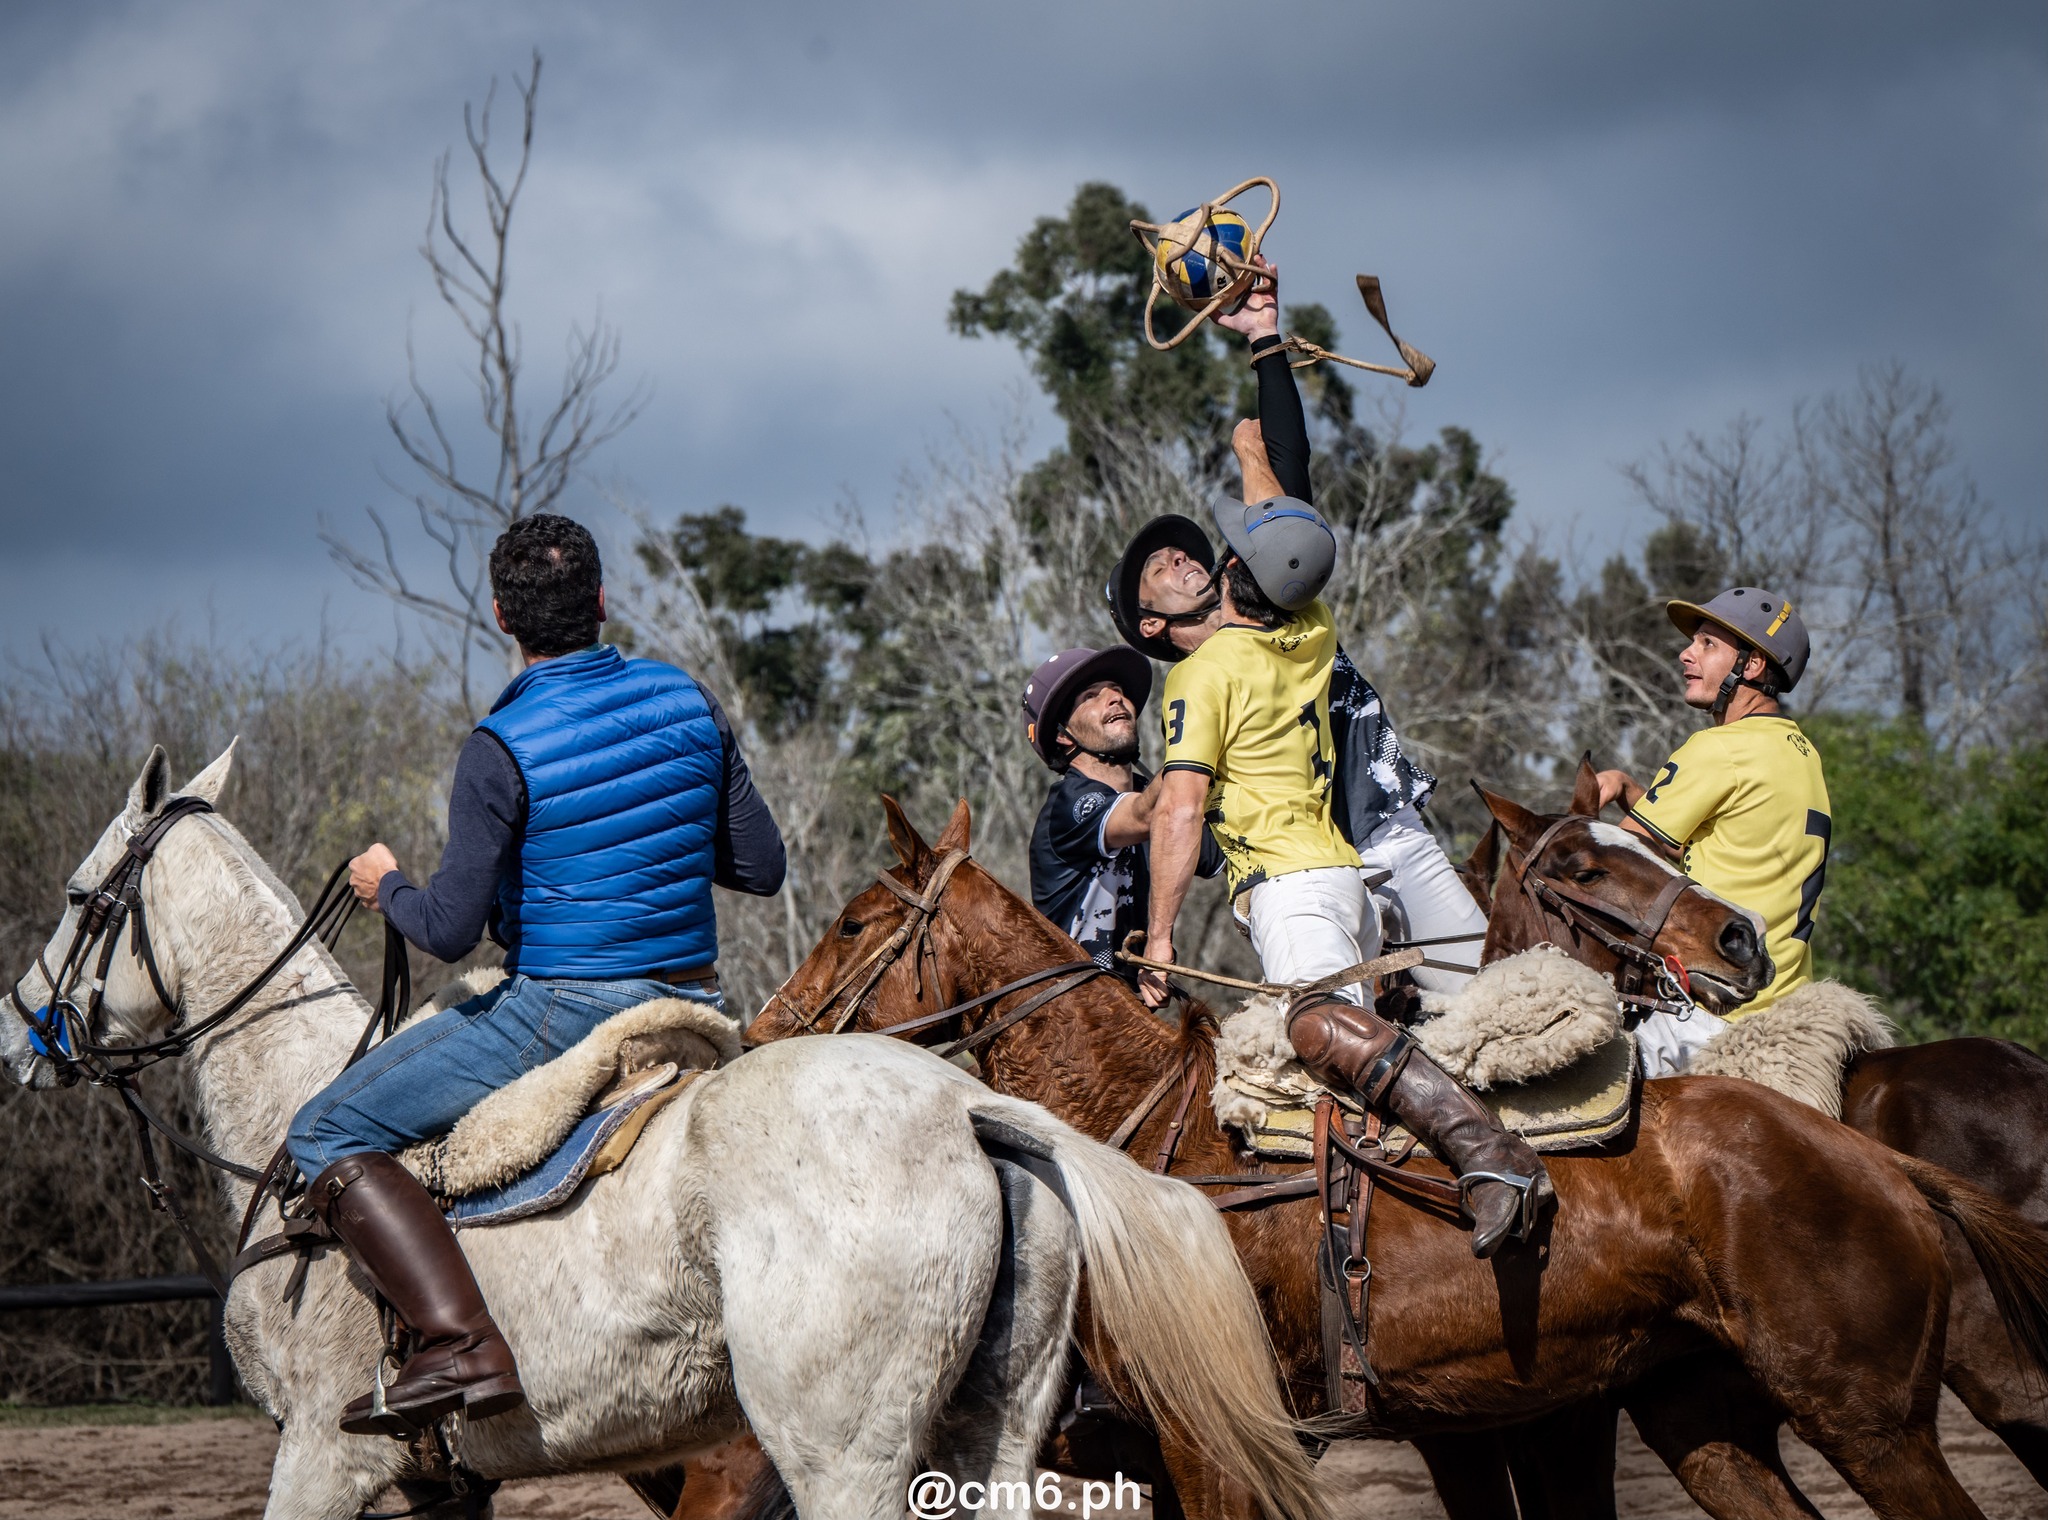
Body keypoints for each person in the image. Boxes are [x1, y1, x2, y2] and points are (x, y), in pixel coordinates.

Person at [284, 514, 785, 1436]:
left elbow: (448, 930)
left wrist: (384, 884)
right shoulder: (690, 700)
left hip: (565, 1010)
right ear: (600, 601)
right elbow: (760, 869)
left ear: (501, 617)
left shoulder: (500, 744)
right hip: (696, 999)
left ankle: (458, 1342)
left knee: (324, 1126)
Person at [1102, 256, 1549, 1258]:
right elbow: (1173, 808)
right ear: (1147, 620)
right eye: (1156, 566)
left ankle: (1515, 1178)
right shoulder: (1212, 666)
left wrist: (1267, 339)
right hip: (1318, 860)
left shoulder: (1283, 610)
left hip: (1373, 838)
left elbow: (1289, 496)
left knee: (1493, 1018)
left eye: (1189, 549)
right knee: (1359, 1055)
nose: (1180, 553)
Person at [1594, 587, 1827, 1075]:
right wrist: (1631, 788)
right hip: (1783, 1011)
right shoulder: (1800, 752)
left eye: (1707, 644)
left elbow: (1618, 866)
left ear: (1754, 664)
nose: (1686, 653)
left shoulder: (1719, 749)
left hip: (1710, 1017)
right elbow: (1714, 843)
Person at [1022, 646, 1221, 984]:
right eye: (1090, 696)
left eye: (1118, 690)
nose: (1114, 698)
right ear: (1061, 734)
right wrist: (1196, 747)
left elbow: (1216, 856)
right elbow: (1143, 816)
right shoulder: (1068, 805)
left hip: (1129, 1009)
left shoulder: (1156, 792)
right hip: (1068, 1011)